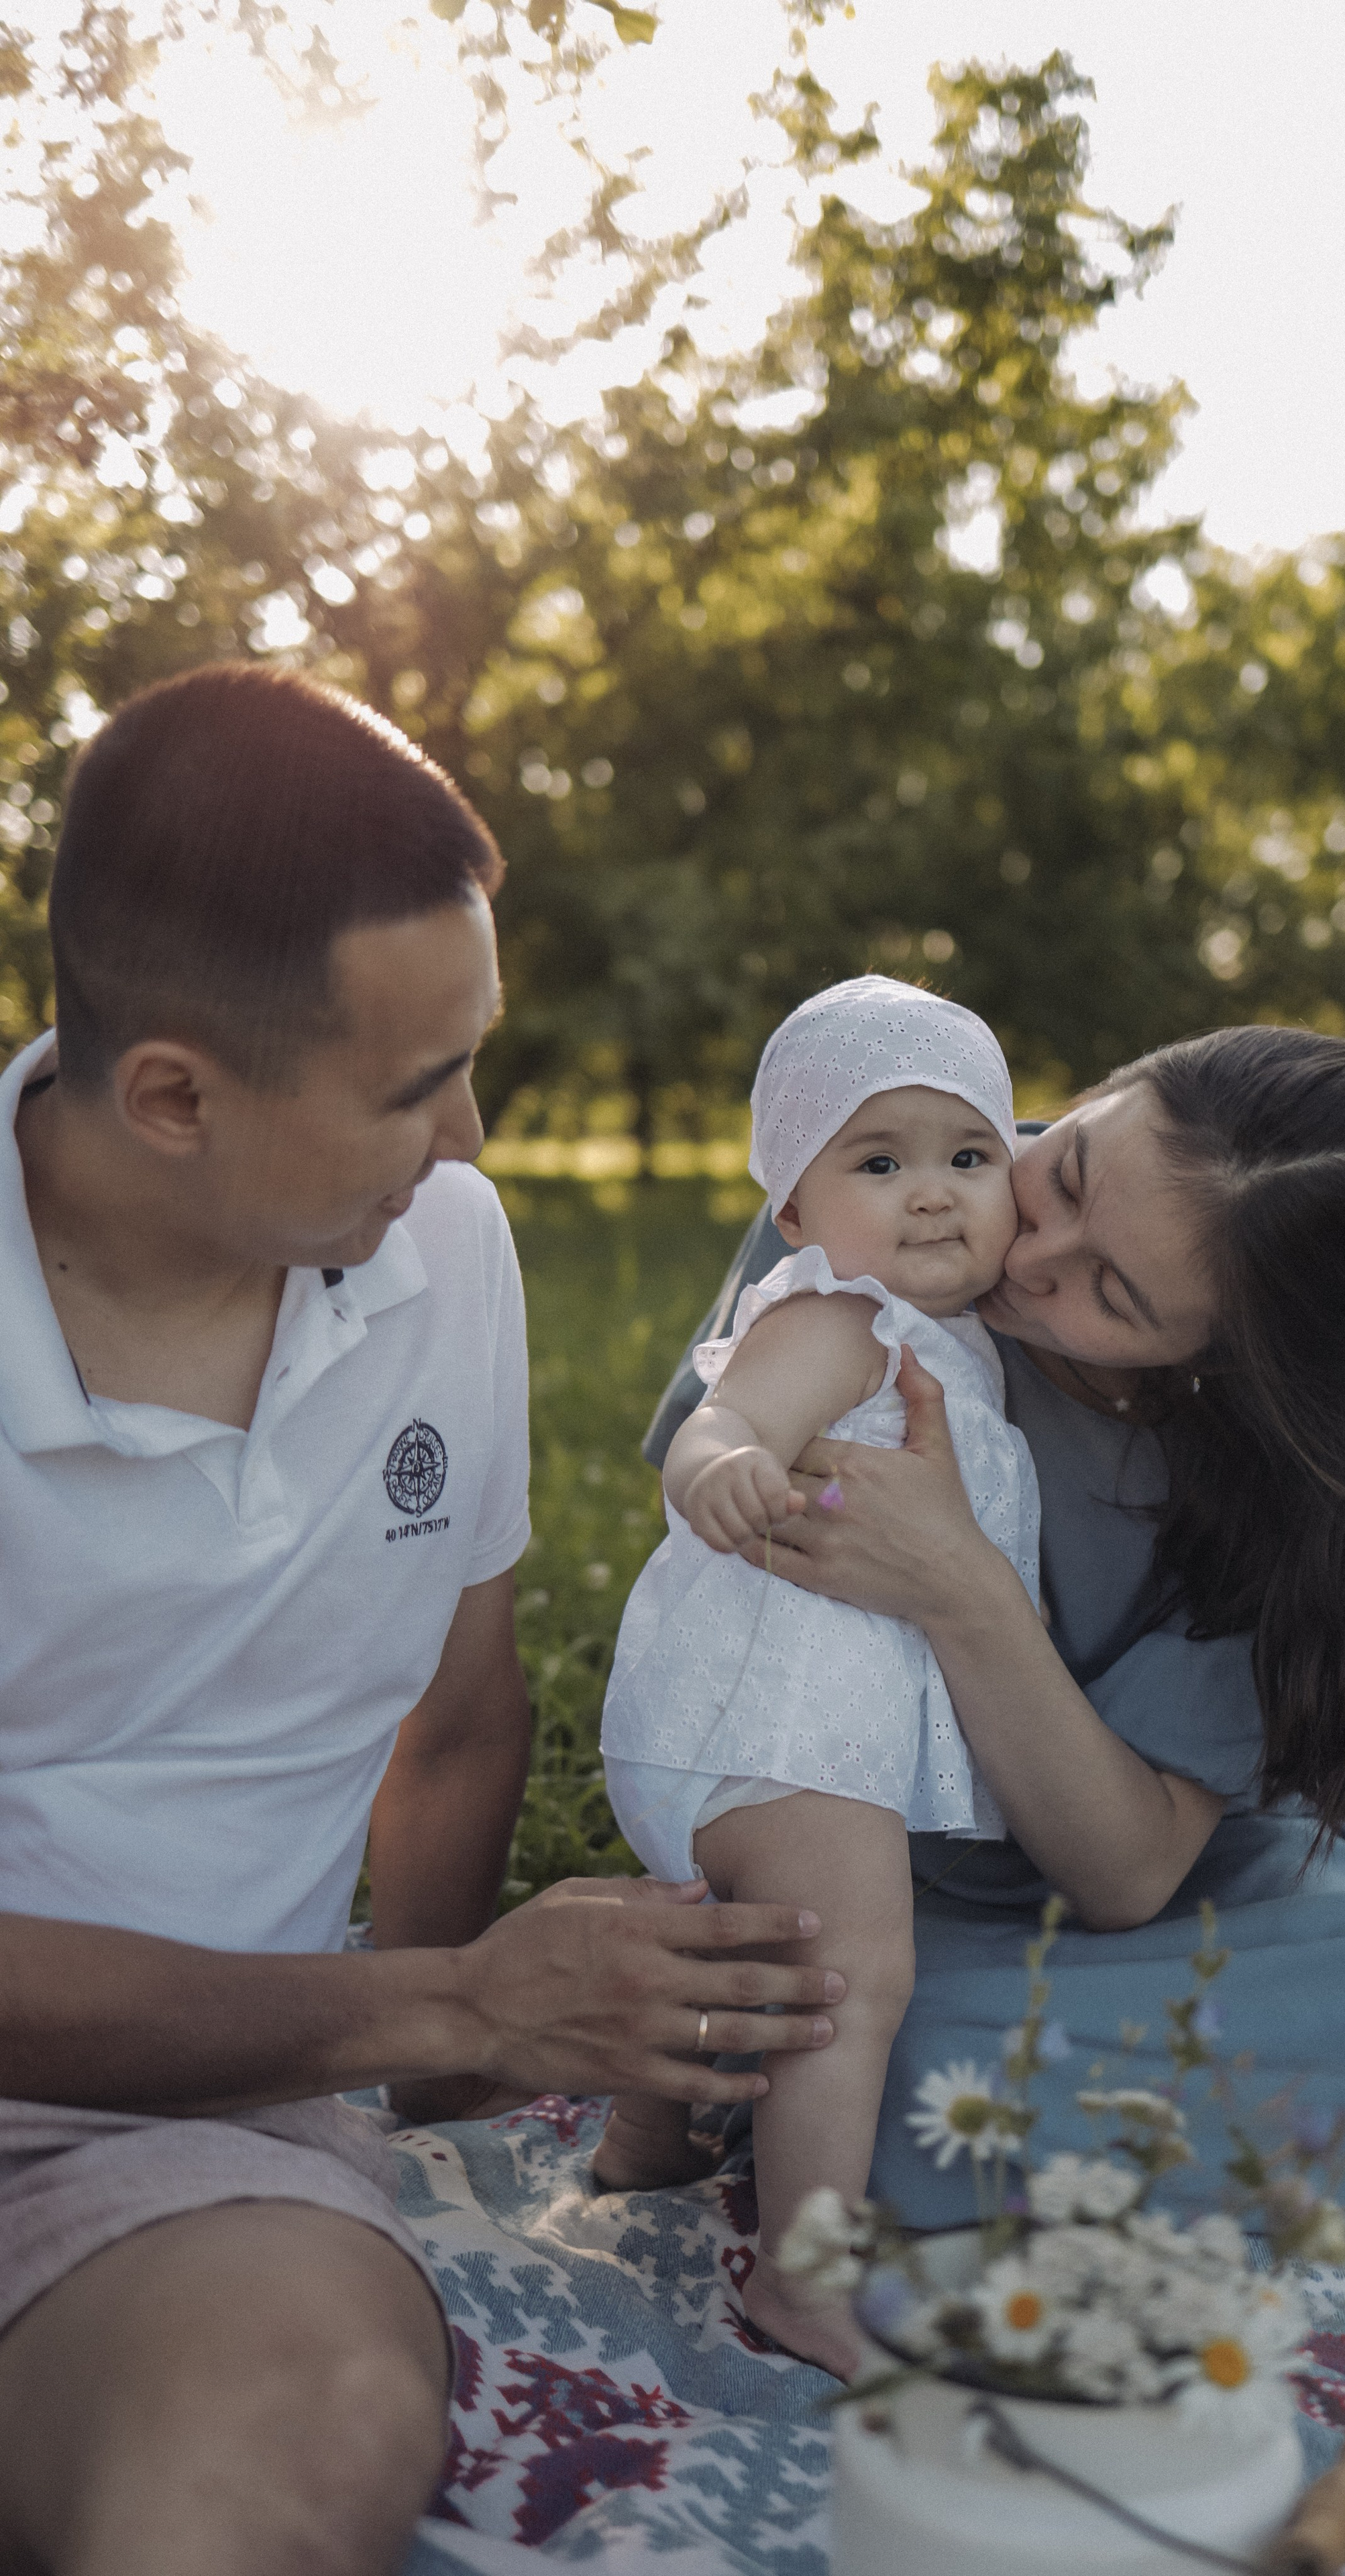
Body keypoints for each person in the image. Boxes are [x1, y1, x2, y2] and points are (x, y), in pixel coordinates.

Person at [0, 664, 847, 2576]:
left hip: (189, 2155)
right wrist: (447, 1999)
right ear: (170, 1098)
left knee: (290, 2445)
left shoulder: (441, 1253)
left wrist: (460, 2067)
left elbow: (458, 1719)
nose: (468, 1137)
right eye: (411, 1084)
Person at [647, 1022, 1345, 2275]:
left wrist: (964, 1588)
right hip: (869, 1859)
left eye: (1115, 1295)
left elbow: (1128, 1872)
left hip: (1165, 1877)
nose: (1027, 1253)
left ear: (1221, 1360)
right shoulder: (882, 1171)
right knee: (860, 2064)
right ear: (1104, 1083)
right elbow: (728, 1544)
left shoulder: (1324, 1487)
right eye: (1075, 1169)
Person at [598, 977, 1038, 2374]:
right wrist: (719, 1467)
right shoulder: (839, 1316)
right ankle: (802, 2281)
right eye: (877, 1159)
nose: (929, 1196)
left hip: (782, 1732)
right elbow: (720, 1414)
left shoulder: (959, 1346)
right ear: (790, 1211)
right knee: (854, 1978)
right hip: (770, 1722)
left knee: (736, 1956)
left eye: (968, 1157)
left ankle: (641, 2144)